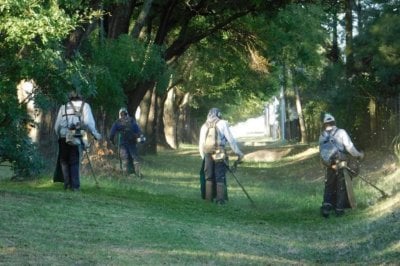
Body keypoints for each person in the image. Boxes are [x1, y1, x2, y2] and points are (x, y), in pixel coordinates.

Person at [54, 91, 102, 191]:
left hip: (63, 136)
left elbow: (57, 125)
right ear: (80, 97)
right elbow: (89, 122)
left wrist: (58, 135)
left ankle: (67, 184)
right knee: (74, 161)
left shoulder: (63, 106)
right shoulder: (85, 106)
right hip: (75, 136)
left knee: (64, 161)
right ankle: (75, 186)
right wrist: (95, 133)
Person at [319, 113, 364, 217]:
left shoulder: (322, 136)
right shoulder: (341, 132)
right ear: (334, 122)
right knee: (341, 186)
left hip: (329, 164)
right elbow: (350, 148)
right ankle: (339, 209)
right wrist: (359, 155)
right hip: (341, 162)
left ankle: (326, 208)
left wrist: (327, 165)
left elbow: (321, 152)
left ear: (324, 124)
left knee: (329, 185)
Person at [199, 107, 244, 204]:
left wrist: (204, 157)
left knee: (209, 177)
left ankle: (208, 200)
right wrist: (238, 152)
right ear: (219, 114)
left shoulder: (204, 126)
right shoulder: (222, 123)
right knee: (220, 176)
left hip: (207, 153)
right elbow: (231, 140)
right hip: (219, 153)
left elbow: (201, 144)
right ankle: (220, 200)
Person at [109, 108, 144, 178]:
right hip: (132, 143)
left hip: (122, 143)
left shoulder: (117, 122)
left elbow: (111, 134)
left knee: (125, 158)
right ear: (127, 113)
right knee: (134, 158)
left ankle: (125, 174)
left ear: (119, 114)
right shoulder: (132, 121)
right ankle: (137, 173)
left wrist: (112, 141)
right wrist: (142, 140)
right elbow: (138, 131)